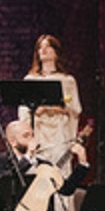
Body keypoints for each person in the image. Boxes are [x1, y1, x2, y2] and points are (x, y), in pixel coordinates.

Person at [18, 34, 82, 169]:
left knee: (59, 170)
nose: (43, 50)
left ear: (56, 53)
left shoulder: (67, 80)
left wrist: (51, 108)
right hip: (39, 130)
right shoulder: (30, 80)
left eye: (48, 47)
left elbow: (74, 109)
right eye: (40, 48)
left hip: (59, 132)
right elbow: (23, 111)